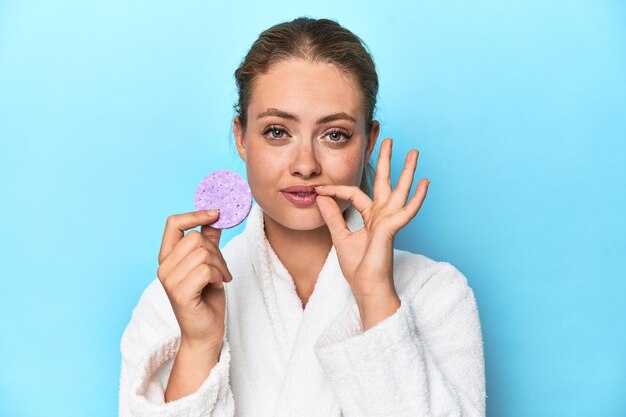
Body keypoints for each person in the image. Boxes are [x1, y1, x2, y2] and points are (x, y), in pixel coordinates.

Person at [118, 17, 485, 417]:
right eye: (277, 131)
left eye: (335, 134)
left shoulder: (436, 292)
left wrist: (375, 297)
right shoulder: (175, 297)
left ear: (368, 143)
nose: (306, 165)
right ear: (241, 137)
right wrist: (199, 343)